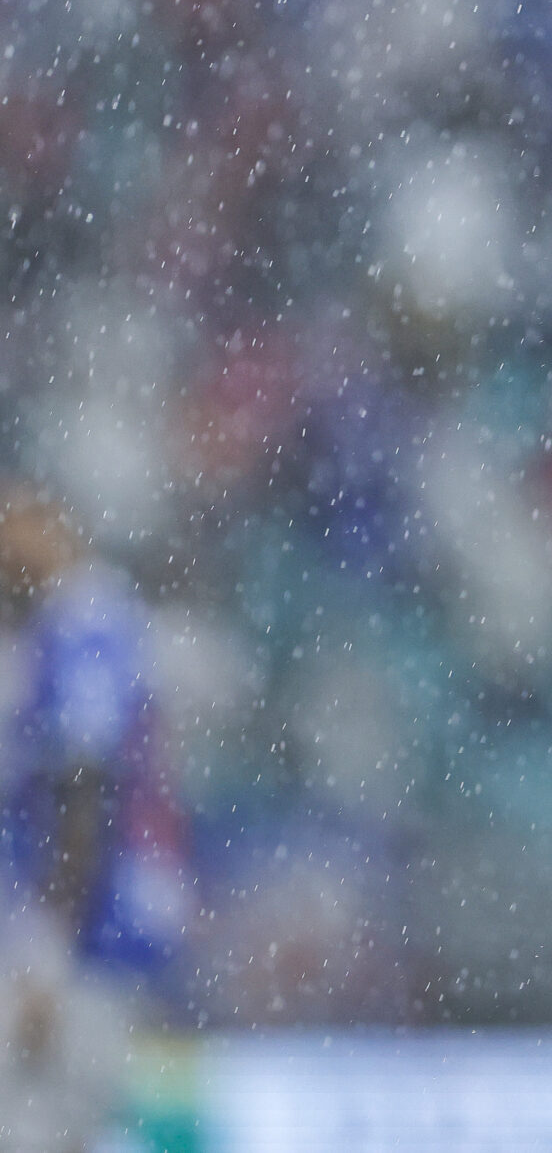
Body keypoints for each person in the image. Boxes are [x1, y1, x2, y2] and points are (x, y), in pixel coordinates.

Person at [0, 487, 189, 1153]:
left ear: (52, 522)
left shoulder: (86, 624)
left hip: (91, 935)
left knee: (42, 1128)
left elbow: (86, 786)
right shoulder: (73, 623)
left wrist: (49, 949)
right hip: (94, 927)